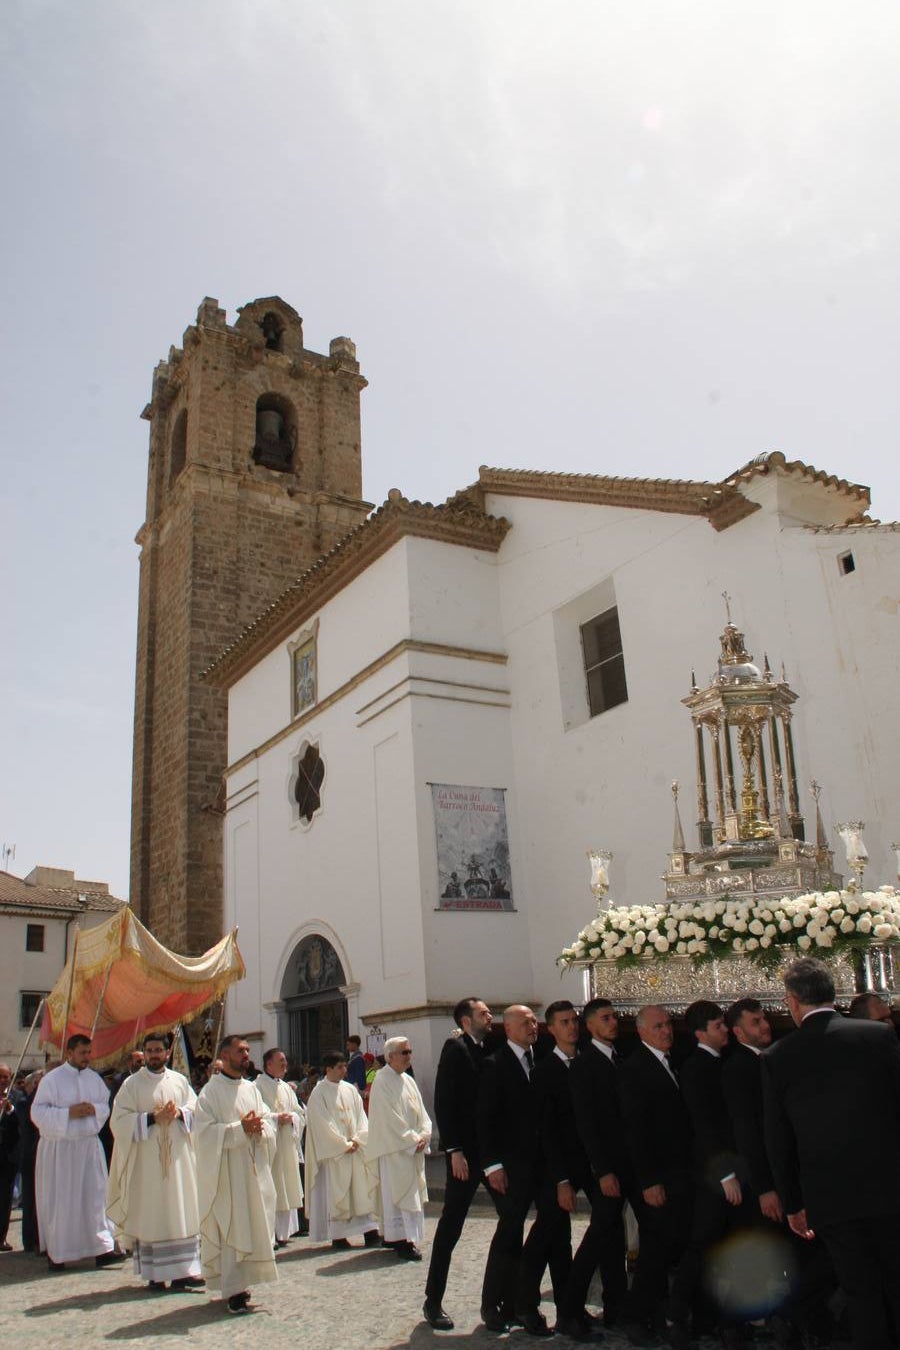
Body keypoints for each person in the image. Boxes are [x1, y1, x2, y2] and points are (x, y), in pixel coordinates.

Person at [762, 957, 900, 1350]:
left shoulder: (777, 1056)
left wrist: (792, 1203)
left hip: (829, 1195)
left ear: (792, 1001)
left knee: (860, 1290)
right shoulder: (877, 1036)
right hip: (889, 1185)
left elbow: (778, 1139)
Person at [667, 1001, 745, 1350]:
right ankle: (677, 1315)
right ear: (700, 1033)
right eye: (718, 1026)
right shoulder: (697, 1068)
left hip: (725, 1171)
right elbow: (705, 1126)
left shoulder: (718, 1062)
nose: (725, 1030)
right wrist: (724, 1173)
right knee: (701, 1245)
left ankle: (709, 1318)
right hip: (712, 1175)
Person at [517, 1000, 597, 1341]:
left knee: (578, 1235)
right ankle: (525, 1303)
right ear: (550, 1029)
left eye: (574, 1020)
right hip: (556, 1167)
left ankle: (570, 1306)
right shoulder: (544, 1071)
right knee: (547, 1236)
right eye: (564, 1022)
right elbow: (546, 1129)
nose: (572, 1027)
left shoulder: (587, 1062)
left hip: (589, 1162)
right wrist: (561, 1179)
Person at [617, 1004, 692, 1349]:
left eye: (668, 1025)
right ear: (642, 1031)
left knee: (667, 1246)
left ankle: (660, 1313)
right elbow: (635, 1131)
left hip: (678, 1172)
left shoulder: (670, 1062)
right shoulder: (634, 1069)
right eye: (658, 1026)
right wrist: (648, 1181)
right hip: (657, 1176)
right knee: (655, 1250)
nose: (666, 1031)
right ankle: (635, 1316)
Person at [106, 1032, 203, 1290]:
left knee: (181, 1209)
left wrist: (179, 1113)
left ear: (167, 1053)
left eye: (158, 1050)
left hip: (178, 1161)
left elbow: (196, 1111)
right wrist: (150, 1118)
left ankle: (184, 1272)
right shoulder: (132, 1085)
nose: (154, 1055)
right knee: (152, 1212)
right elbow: (118, 1121)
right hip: (147, 1164)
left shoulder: (180, 1081)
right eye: (149, 1050)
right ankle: (156, 1274)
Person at [424, 997, 494, 1330]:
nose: (489, 1016)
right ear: (466, 1021)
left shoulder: (487, 1047)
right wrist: (454, 1150)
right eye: (483, 1013)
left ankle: (500, 1299)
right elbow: (445, 1100)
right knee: (451, 1227)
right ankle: (433, 1300)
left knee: (511, 1218)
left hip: (490, 1156)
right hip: (465, 1156)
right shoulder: (455, 1049)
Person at [195, 1035, 278, 1315]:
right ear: (225, 1055)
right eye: (240, 1050)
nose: (246, 1054)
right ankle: (233, 1290)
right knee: (232, 1225)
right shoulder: (210, 1093)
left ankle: (245, 1282)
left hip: (252, 1169)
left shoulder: (251, 1088)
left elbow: (267, 1119)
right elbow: (203, 1134)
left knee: (251, 1224)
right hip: (227, 1174)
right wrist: (240, 1129)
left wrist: (261, 1128)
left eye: (247, 1050)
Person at [30, 1033, 123, 1269]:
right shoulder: (52, 1080)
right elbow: (37, 1113)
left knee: (94, 1198)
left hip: (88, 1146)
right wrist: (68, 1114)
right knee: (61, 1201)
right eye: (82, 1053)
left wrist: (93, 1110)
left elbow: (105, 1106)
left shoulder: (94, 1079)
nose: (87, 1057)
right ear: (69, 1052)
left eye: (89, 1052)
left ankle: (101, 1248)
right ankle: (59, 1253)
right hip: (60, 1149)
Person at [478, 1004, 542, 1334]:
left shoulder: (538, 1060)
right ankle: (491, 1304)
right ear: (508, 1028)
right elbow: (485, 1119)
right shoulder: (495, 1064)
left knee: (525, 1235)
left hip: (538, 1163)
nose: (533, 1026)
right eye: (526, 1022)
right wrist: (492, 1166)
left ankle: (515, 1302)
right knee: (508, 1234)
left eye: (534, 1021)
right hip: (510, 1166)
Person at [569, 997, 631, 1335]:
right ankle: (570, 1306)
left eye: (614, 1017)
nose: (613, 1022)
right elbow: (587, 1124)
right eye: (605, 1018)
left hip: (628, 1164)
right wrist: (603, 1170)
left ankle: (616, 1305)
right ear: (590, 1025)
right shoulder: (584, 1065)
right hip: (606, 1169)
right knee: (598, 1237)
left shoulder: (619, 1058)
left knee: (614, 1238)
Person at [304, 1050, 379, 1249]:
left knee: (362, 1190)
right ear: (328, 1069)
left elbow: (361, 1117)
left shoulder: (350, 1090)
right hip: (335, 1154)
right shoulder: (319, 1093)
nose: (344, 1070)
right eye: (340, 1067)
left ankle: (370, 1232)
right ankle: (338, 1236)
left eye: (345, 1066)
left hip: (355, 1148)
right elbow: (322, 1124)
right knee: (338, 1193)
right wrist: (342, 1144)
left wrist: (358, 1139)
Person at [366, 1036, 432, 1261]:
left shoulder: (408, 1080)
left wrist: (425, 1134)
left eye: (410, 1051)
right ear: (390, 1056)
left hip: (411, 1148)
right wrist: (413, 1140)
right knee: (398, 1194)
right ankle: (401, 1240)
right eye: (404, 1052)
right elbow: (389, 1118)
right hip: (395, 1150)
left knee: (410, 1194)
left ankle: (405, 1237)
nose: (409, 1056)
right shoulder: (382, 1080)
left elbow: (422, 1112)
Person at [255, 1047, 305, 1247]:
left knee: (287, 1186)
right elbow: (258, 1113)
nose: (285, 1065)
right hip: (271, 1146)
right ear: (269, 1064)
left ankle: (284, 1232)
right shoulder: (257, 1086)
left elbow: (300, 1113)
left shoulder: (285, 1087)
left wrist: (292, 1118)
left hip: (287, 1144)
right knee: (273, 1185)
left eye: (285, 1061)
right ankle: (271, 1232)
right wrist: (276, 1118)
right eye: (281, 1061)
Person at [13, 1070, 42, 1253]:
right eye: (38, 1084)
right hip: (29, 1156)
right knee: (30, 1200)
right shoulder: (24, 1102)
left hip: (40, 1156)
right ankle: (30, 1240)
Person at [0, 1063, 19, 1253]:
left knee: (5, 1199)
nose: (3, 1080)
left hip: (7, 1157)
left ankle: (1, 1237)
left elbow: (22, 1122)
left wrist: (10, 1109)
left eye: (6, 1077)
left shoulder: (16, 1096)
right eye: (0, 1077)